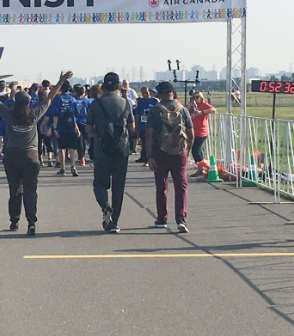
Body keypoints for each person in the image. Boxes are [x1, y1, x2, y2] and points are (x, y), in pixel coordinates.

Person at [0, 72, 70, 236]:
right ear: (29, 103)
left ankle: (14, 220)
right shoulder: (34, 114)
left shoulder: (9, 113)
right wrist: (60, 82)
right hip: (31, 156)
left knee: (15, 189)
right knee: (31, 190)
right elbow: (49, 99)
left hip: (12, 156)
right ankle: (31, 222)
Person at [87, 72, 134, 234]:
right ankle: (115, 222)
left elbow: (88, 128)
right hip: (122, 148)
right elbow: (132, 127)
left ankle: (105, 206)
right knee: (118, 186)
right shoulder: (125, 103)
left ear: (103, 87)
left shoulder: (96, 104)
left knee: (99, 184)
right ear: (118, 86)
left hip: (102, 148)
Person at [144, 82, 193, 233]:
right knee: (181, 185)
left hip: (160, 152)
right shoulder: (182, 110)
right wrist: (187, 150)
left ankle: (162, 218)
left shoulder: (155, 110)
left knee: (161, 185)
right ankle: (181, 219)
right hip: (179, 152)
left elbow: (149, 134)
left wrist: (149, 155)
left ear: (158, 94)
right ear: (173, 92)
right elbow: (191, 133)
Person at [187, 91, 216, 167]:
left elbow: (213, 110)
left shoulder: (204, 105)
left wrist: (201, 112)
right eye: (193, 97)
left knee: (196, 150)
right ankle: (201, 166)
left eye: (197, 97)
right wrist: (190, 104)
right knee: (196, 150)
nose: (195, 99)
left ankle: (202, 167)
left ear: (201, 98)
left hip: (201, 131)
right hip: (193, 131)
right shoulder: (192, 106)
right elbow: (186, 112)